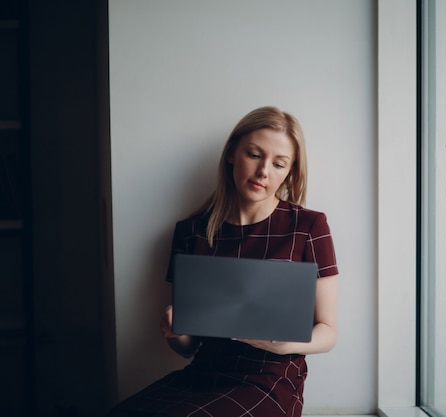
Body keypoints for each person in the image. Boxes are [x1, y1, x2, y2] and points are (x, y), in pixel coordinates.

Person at [105, 106, 339, 417]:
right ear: (232, 154)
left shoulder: (309, 226)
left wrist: (285, 346)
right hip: (203, 374)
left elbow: (328, 331)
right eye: (254, 155)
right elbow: (187, 348)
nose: (263, 172)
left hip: (270, 380)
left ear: (290, 172)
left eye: (279, 164)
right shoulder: (190, 232)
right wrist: (176, 331)